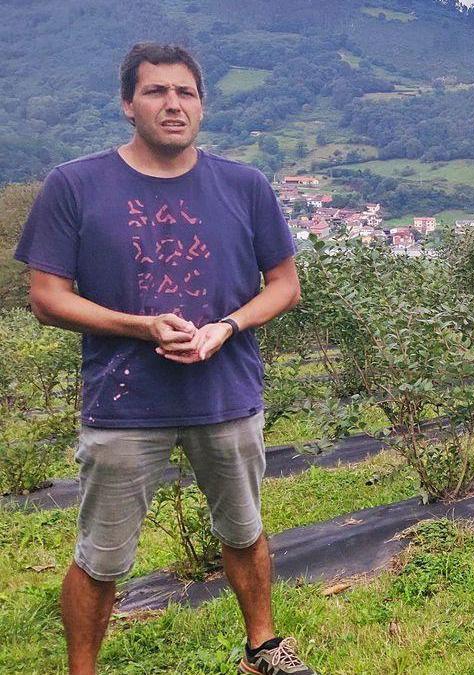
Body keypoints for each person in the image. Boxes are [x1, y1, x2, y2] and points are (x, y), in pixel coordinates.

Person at [15, 42, 316, 675]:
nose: (172, 104)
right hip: (124, 403)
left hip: (226, 393)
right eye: (156, 91)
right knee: (101, 558)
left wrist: (227, 327)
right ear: (128, 104)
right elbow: (46, 298)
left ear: (202, 104)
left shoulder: (245, 185)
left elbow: (284, 285)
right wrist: (138, 326)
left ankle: (263, 649)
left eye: (186, 92)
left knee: (244, 531)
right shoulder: (76, 185)